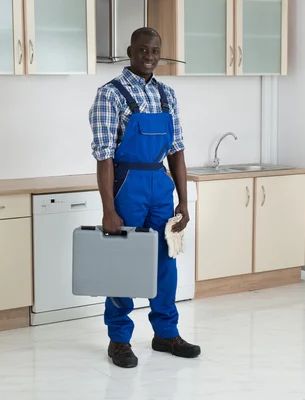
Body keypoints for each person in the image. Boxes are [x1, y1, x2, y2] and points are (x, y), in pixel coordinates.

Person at [88, 27, 201, 368]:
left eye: (154, 51)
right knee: (124, 264)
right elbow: (104, 156)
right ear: (130, 51)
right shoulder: (110, 94)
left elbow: (177, 151)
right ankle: (119, 340)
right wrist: (109, 209)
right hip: (127, 187)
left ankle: (166, 333)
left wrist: (183, 201)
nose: (149, 56)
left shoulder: (167, 95)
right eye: (142, 50)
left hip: (161, 187)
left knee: (166, 262)